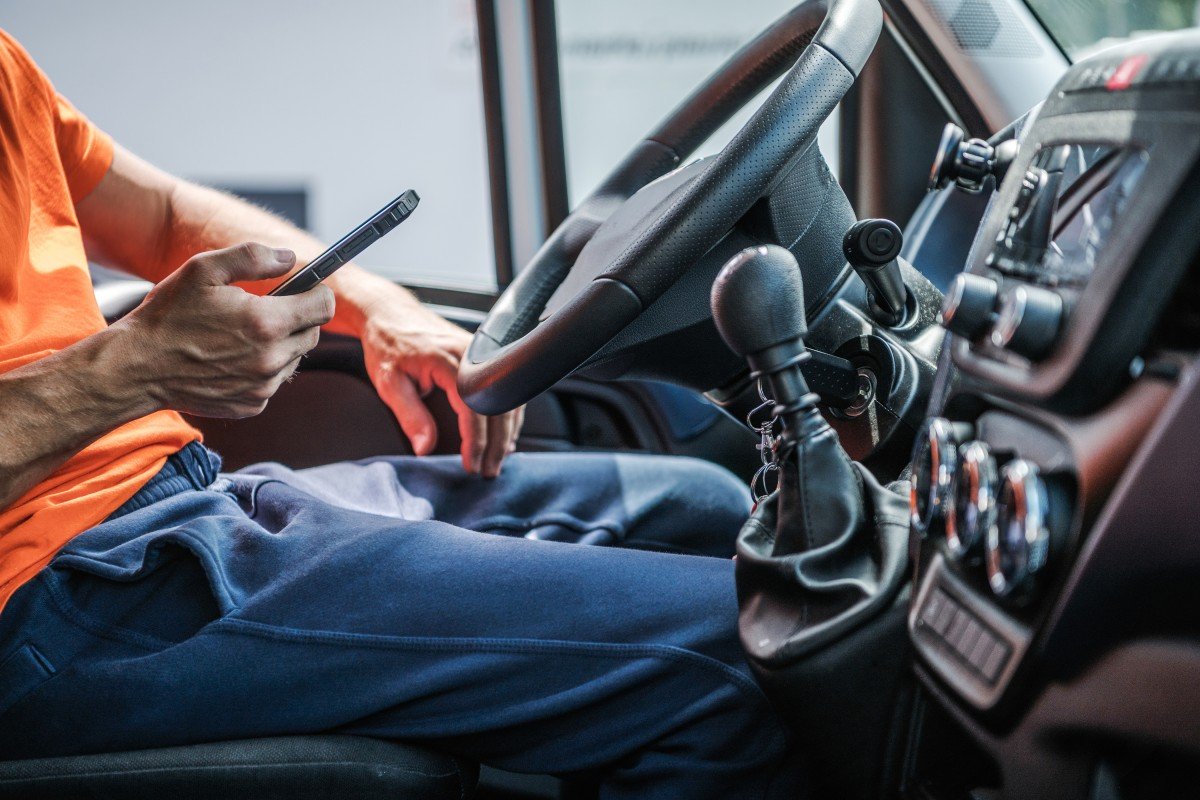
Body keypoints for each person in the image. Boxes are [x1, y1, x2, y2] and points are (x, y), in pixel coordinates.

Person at [0, 28, 800, 798]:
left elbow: (161, 214)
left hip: (167, 500)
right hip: (47, 596)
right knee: (744, 653)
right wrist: (133, 368)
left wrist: (380, 307)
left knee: (700, 507)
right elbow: (128, 357)